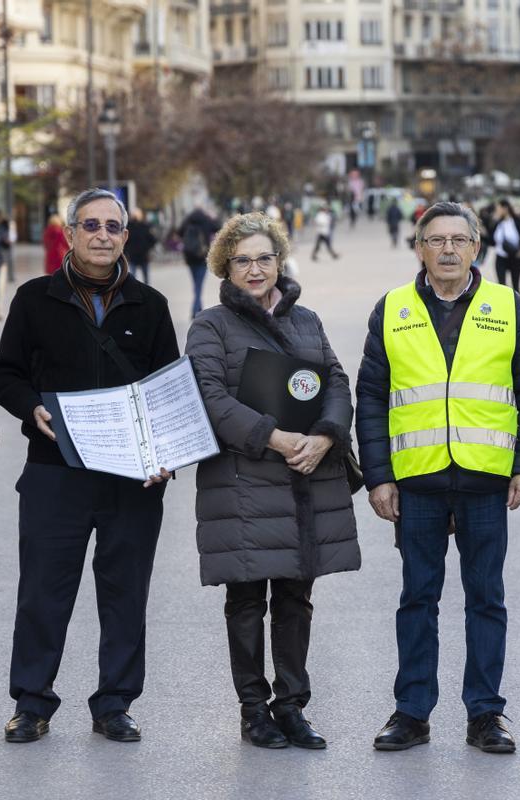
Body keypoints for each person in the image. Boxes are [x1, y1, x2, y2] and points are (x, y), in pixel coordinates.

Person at [356, 201, 520, 754]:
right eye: (435, 240)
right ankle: (411, 712)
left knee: (485, 598)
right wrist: (378, 475)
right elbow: (370, 396)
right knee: (417, 596)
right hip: (416, 481)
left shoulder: (507, 306)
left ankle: (485, 714)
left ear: (476, 247)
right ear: (418, 248)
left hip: (486, 479)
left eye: (458, 240)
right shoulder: (392, 309)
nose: (447, 249)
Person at [0, 188, 179, 745]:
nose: (102, 235)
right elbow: (5, 373)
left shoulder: (151, 304)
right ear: (69, 233)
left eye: (112, 227)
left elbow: (169, 391)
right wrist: (32, 408)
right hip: (54, 471)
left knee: (125, 594)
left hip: (131, 480)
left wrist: (164, 456)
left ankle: (115, 703)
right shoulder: (34, 299)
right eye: (89, 225)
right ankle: (31, 701)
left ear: (125, 235)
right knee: (43, 593)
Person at [186, 212, 361, 750]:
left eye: (265, 258)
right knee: (245, 601)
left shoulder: (306, 319)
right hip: (243, 481)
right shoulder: (209, 325)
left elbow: (335, 379)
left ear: (279, 261)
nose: (256, 269)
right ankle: (252, 710)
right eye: (243, 261)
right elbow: (210, 398)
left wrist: (327, 436)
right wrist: (278, 438)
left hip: (306, 478)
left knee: (295, 598)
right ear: (226, 267)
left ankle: (291, 706)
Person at [179, 205, 221, 317]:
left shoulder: (188, 220)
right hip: (202, 257)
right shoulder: (206, 220)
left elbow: (179, 232)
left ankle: (199, 308)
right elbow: (218, 227)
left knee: (196, 284)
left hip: (190, 257)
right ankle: (195, 311)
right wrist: (213, 217)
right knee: (199, 285)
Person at [490, 198, 520, 295]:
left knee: (516, 286)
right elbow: (492, 241)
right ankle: (503, 308)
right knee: (501, 286)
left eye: (499, 208)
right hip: (500, 257)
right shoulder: (498, 223)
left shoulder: (517, 221)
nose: (497, 211)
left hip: (515, 258)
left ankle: (517, 309)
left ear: (505, 208)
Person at [125, 208, 158, 284]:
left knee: (144, 277)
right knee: (133, 278)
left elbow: (152, 240)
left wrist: (147, 248)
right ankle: (133, 293)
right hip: (134, 256)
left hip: (142, 256)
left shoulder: (144, 226)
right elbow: (125, 241)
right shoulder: (129, 227)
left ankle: (144, 293)